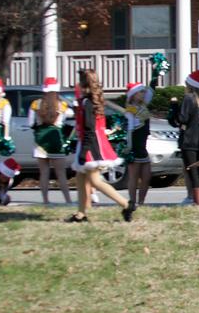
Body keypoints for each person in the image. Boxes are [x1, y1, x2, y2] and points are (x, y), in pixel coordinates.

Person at [68, 69, 134, 223]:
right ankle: (80, 213)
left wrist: (84, 151)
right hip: (91, 141)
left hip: (91, 144)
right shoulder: (91, 100)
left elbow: (89, 128)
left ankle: (126, 204)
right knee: (81, 178)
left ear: (83, 84)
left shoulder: (87, 102)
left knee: (95, 180)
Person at [27, 77, 72, 205]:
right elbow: (65, 120)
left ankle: (45, 200)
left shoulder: (35, 104)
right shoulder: (62, 105)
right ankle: (68, 200)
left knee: (44, 172)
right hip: (56, 139)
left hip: (40, 139)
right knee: (61, 173)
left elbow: (30, 123)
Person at [170, 70, 199, 205]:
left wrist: (174, 107)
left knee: (192, 172)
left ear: (190, 84)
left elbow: (182, 119)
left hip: (189, 141)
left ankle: (197, 202)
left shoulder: (189, 98)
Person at [124, 77, 159, 209]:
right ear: (133, 95)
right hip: (134, 147)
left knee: (146, 177)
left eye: (143, 92)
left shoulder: (142, 106)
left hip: (143, 147)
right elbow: (129, 131)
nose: (143, 94)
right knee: (133, 177)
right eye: (140, 92)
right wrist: (128, 148)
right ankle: (132, 202)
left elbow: (151, 91)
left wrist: (155, 74)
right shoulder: (131, 110)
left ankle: (141, 202)